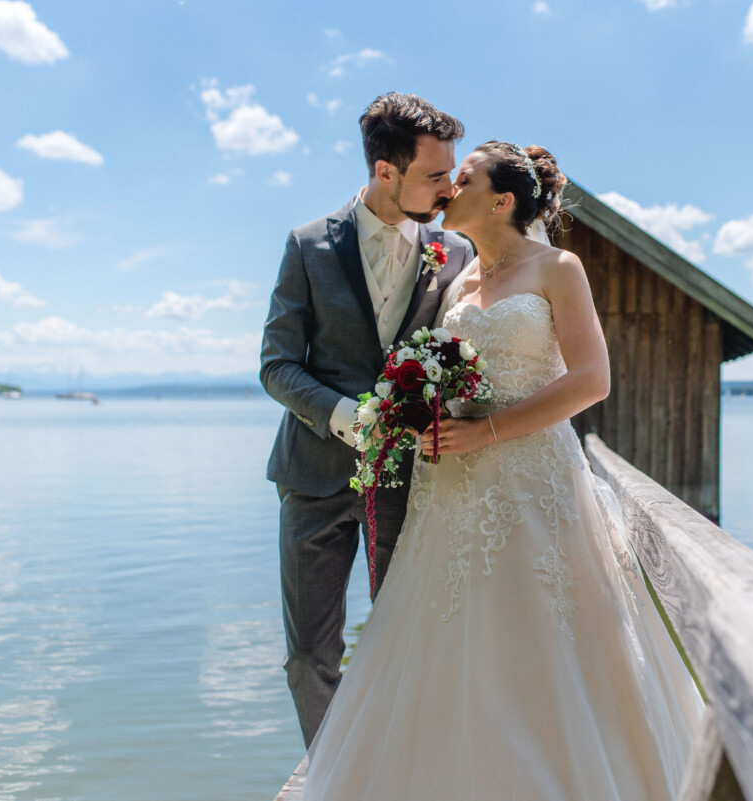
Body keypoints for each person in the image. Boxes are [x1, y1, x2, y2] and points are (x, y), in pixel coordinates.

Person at [296, 142, 704, 799]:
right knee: (449, 643)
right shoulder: (458, 280)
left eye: (464, 178)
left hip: (532, 479)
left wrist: (484, 430)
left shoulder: (558, 268)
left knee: (541, 644)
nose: (449, 188)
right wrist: (419, 410)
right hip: (451, 487)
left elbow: (592, 379)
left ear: (503, 200)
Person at [260, 92, 475, 748]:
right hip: (314, 479)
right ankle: (328, 776)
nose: (450, 187)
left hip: (411, 485)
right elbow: (276, 365)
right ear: (386, 172)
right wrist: (344, 416)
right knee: (311, 657)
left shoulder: (456, 252)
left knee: (409, 640)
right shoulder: (307, 247)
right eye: (435, 175)